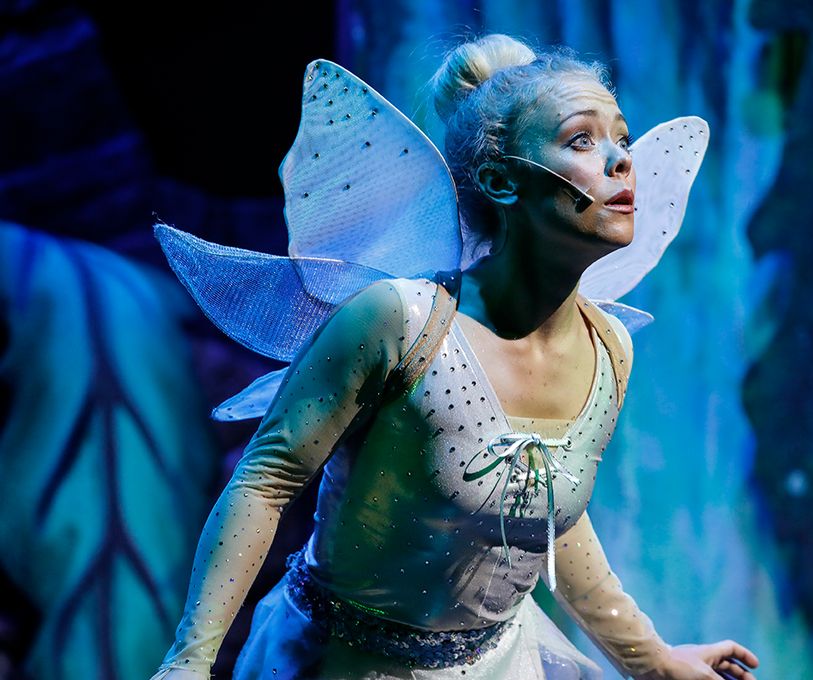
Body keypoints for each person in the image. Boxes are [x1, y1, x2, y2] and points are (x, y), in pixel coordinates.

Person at [149, 34, 759, 680]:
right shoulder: (402, 321)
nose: (621, 160)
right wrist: (188, 663)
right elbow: (266, 479)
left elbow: (550, 521)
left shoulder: (609, 349)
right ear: (499, 180)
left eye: (622, 138)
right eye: (582, 139)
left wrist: (654, 661)